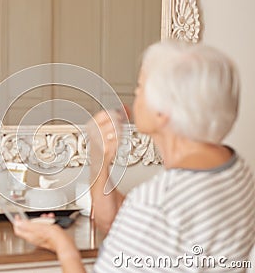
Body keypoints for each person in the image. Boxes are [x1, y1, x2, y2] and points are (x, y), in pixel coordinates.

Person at [13, 40, 255, 272]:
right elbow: (118, 223)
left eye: (139, 88)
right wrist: (99, 160)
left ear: (162, 113)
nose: (134, 96)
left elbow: (147, 217)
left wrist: (62, 245)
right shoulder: (235, 169)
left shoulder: (156, 203)